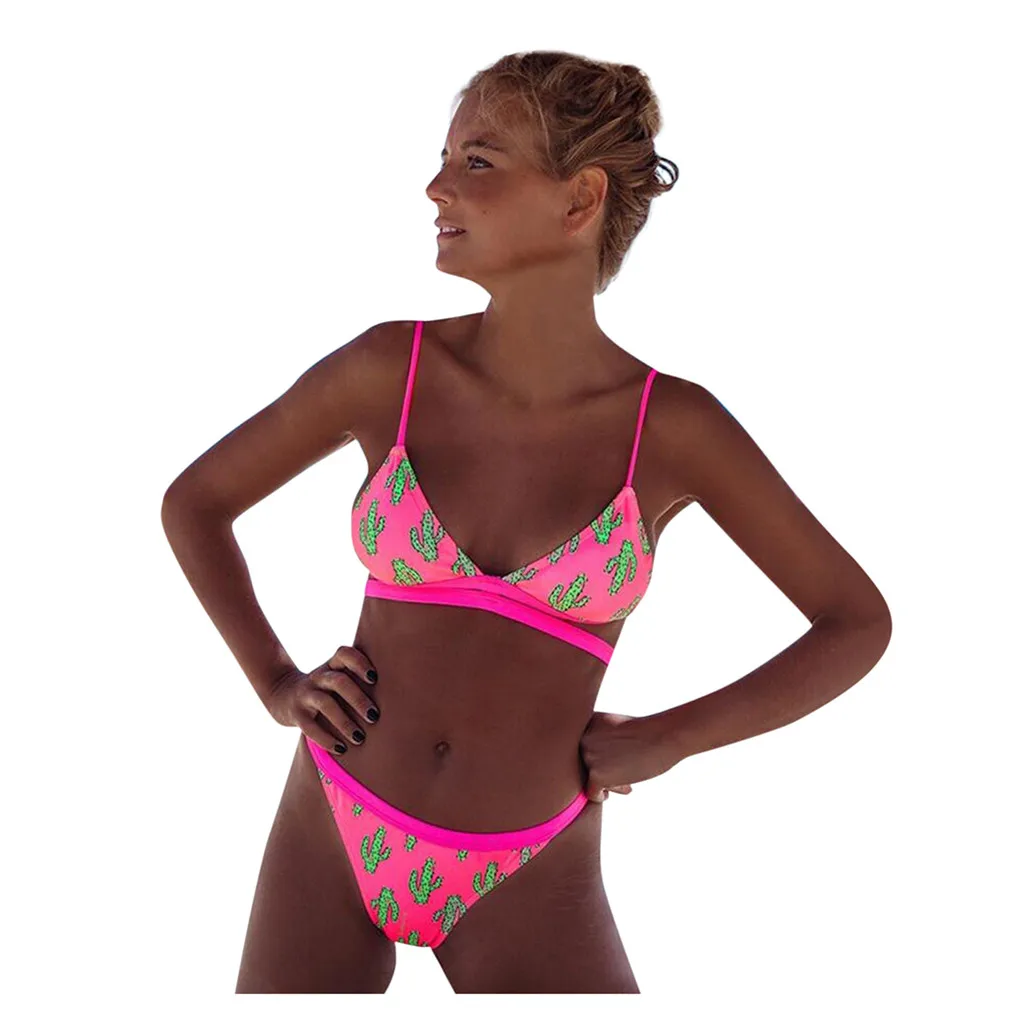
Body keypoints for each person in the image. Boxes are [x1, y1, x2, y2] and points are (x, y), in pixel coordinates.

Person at [161, 51, 892, 994]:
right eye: (444, 158)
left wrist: (673, 737)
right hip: (332, 822)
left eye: (477, 161)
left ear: (579, 199)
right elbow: (196, 503)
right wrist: (275, 681)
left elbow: (855, 622)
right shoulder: (389, 371)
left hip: (529, 868)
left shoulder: (671, 429)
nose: (435, 187)